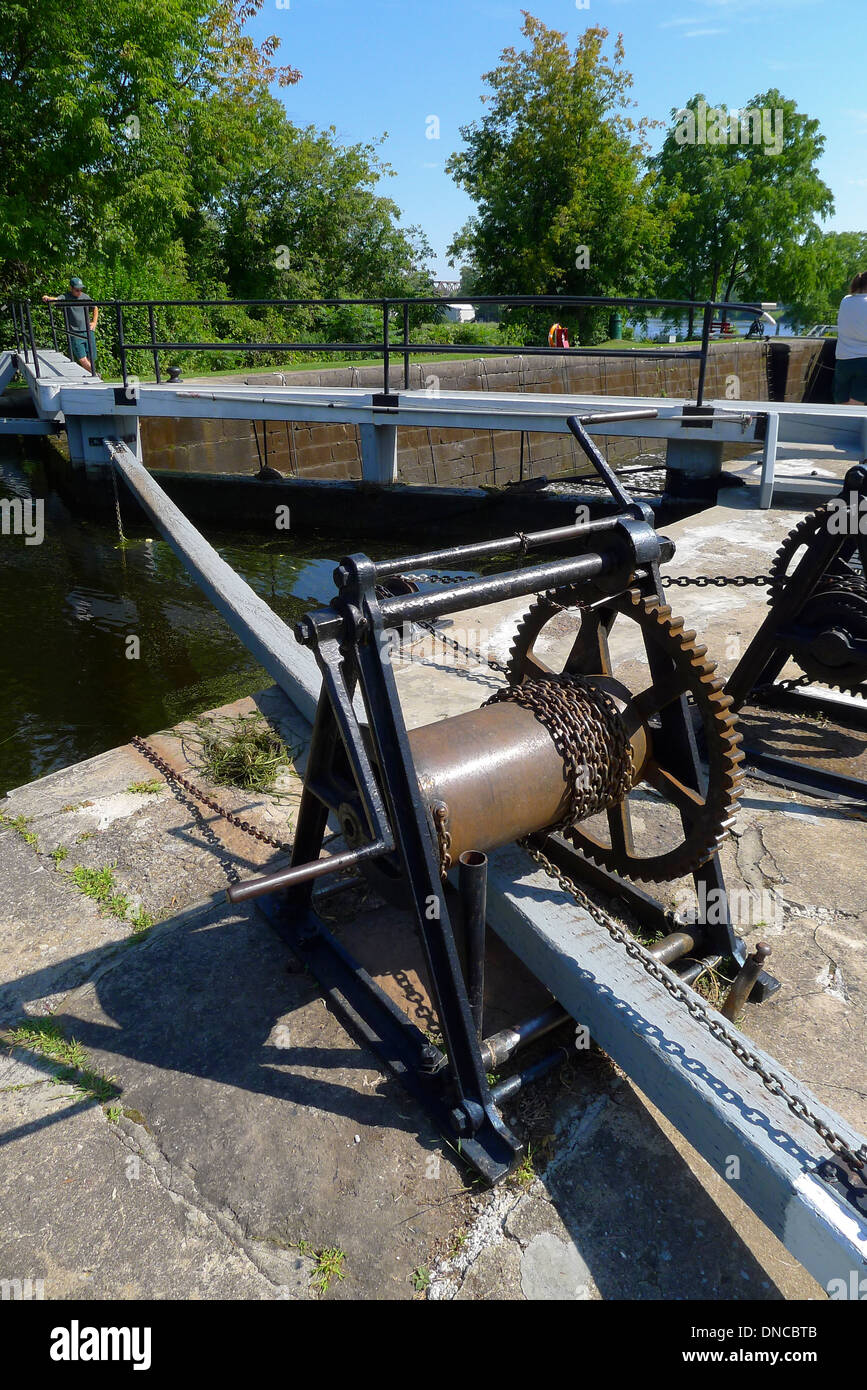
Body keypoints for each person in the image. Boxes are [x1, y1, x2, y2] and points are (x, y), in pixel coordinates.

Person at [41, 277, 99, 376]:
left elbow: (95, 308)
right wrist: (47, 298)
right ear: (71, 288)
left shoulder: (85, 297)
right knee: (82, 358)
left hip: (88, 331)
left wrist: (94, 322)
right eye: (77, 290)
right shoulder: (65, 297)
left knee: (91, 357)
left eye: (81, 289)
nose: (79, 292)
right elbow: (56, 300)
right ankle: (96, 374)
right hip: (74, 332)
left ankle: (92, 374)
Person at [834, 272, 867, 404]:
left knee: (841, 405)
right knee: (856, 406)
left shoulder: (845, 300)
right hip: (864, 360)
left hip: (843, 360)